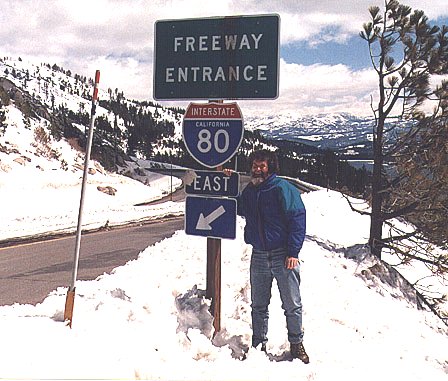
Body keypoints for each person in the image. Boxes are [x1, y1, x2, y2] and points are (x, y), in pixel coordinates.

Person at [225, 149, 309, 363]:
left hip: (283, 255)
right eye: (254, 165)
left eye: (262, 165)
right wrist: (229, 182)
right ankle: (258, 344)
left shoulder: (282, 189)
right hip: (259, 255)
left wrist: (293, 252)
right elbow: (240, 207)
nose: (257, 169)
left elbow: (297, 219)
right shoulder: (250, 191)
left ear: (270, 168)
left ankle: (296, 344)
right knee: (258, 305)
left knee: (292, 304)